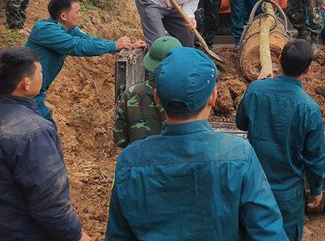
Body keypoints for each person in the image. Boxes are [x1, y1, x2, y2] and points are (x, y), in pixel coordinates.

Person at [106, 47, 287, 240]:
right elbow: (268, 233)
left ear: (158, 98)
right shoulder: (240, 155)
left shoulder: (129, 161)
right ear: (213, 98)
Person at [0, 47, 91, 241]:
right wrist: (76, 234)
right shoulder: (33, 133)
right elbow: (48, 201)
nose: (42, 75)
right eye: (40, 72)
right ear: (26, 83)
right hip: (23, 232)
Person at [236, 39, 325, 240]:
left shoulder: (255, 90)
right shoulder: (310, 108)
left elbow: (241, 123)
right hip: (288, 195)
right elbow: (315, 157)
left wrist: (259, 85)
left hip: (253, 185)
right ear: (308, 70)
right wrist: (317, 189)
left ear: (278, 60)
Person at [25, 0, 143, 126]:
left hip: (34, 91)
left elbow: (90, 39)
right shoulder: (46, 30)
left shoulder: (69, 29)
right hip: (25, 91)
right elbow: (77, 46)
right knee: (46, 130)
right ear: (64, 16)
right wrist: (114, 46)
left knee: (45, 131)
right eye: (77, 12)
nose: (80, 15)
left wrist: (123, 46)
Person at [113, 35, 182, 148]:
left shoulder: (131, 93)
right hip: (177, 161)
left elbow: (120, 138)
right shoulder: (188, 92)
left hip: (139, 160)